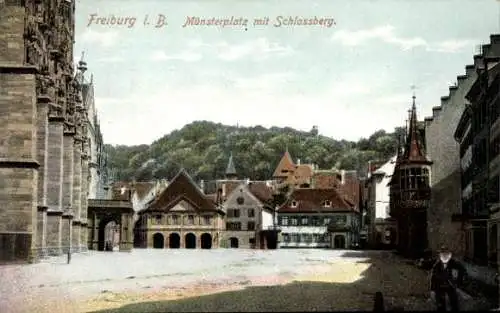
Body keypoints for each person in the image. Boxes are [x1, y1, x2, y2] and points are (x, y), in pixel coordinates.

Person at [429, 245, 467, 311]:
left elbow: (462, 270)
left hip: (450, 285)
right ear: (440, 255)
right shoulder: (437, 265)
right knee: (440, 304)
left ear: (449, 255)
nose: (444, 255)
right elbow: (433, 277)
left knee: (454, 302)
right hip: (440, 286)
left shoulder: (454, 263)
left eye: (446, 254)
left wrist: (459, 281)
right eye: (443, 254)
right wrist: (432, 289)